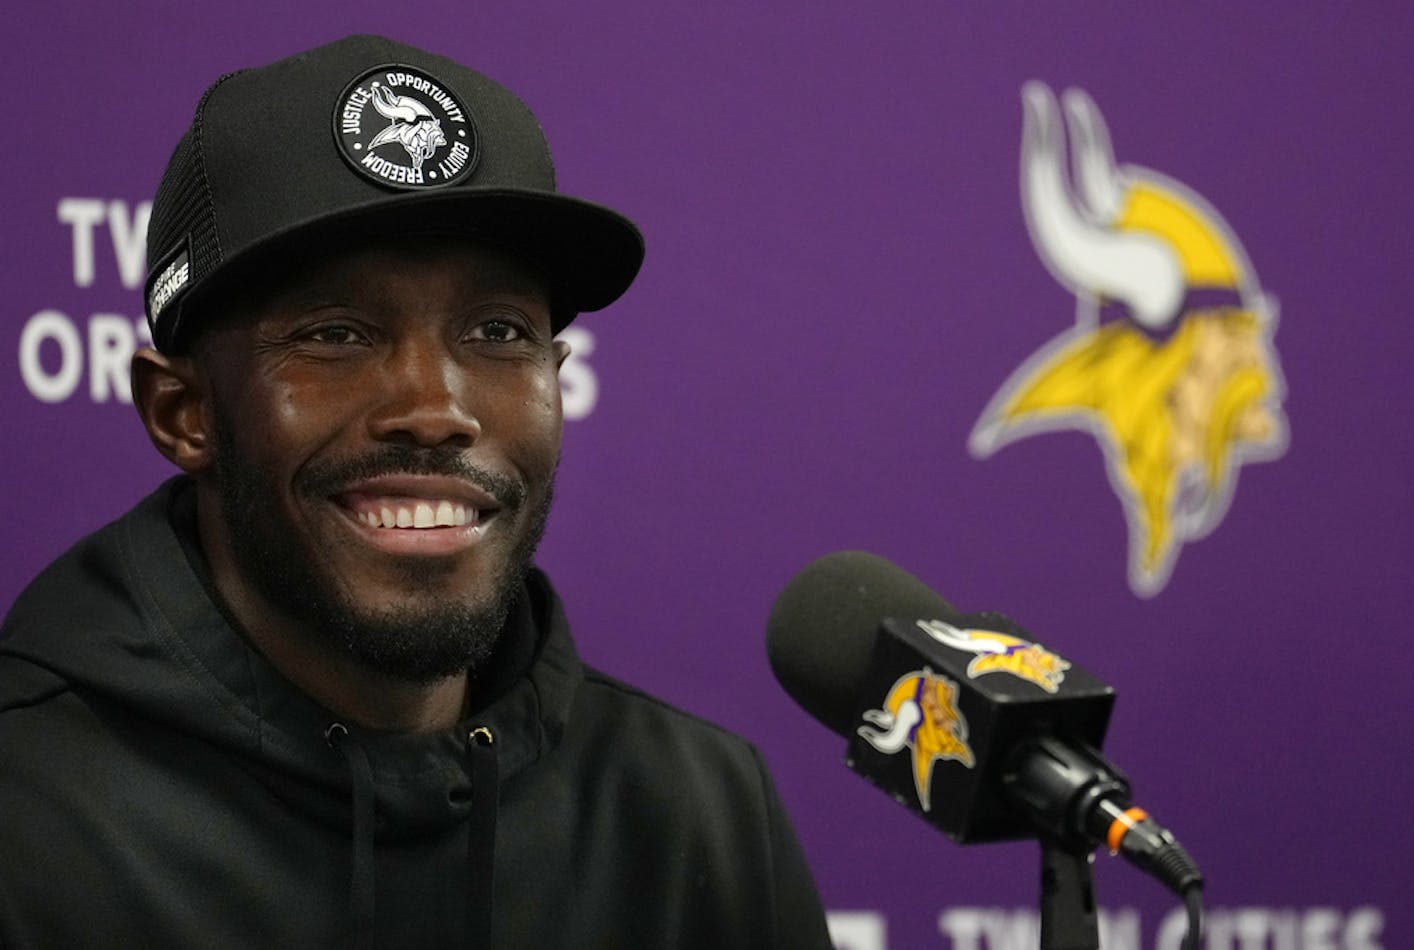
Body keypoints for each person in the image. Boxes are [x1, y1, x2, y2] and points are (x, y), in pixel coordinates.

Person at [0, 35, 833, 949]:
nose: (436, 410)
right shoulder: (28, 813)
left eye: (497, 329)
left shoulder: (699, 815)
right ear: (184, 412)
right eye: (336, 334)